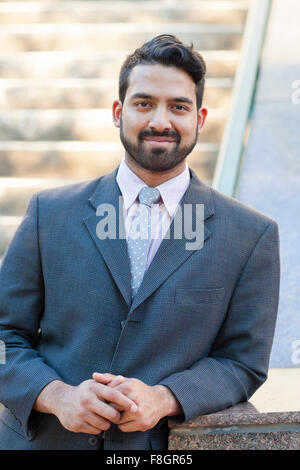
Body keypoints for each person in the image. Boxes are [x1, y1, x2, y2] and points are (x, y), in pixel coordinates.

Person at [0, 35, 280, 450]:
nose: (160, 122)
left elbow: (242, 363)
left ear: (200, 119)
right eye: (144, 103)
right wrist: (58, 396)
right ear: (118, 112)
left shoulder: (250, 236)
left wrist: (164, 398)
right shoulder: (49, 214)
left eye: (178, 107)